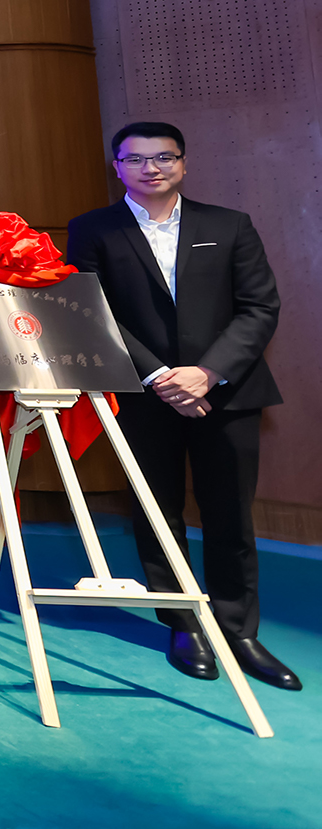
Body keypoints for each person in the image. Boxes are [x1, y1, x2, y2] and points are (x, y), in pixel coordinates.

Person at [67, 121, 297, 690]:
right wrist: (160, 376)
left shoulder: (229, 224)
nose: (151, 168)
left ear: (184, 163)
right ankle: (183, 623)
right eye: (136, 159)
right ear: (117, 167)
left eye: (164, 157)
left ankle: (238, 630)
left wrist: (207, 373)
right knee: (157, 512)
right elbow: (91, 311)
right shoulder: (93, 229)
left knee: (230, 515)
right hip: (144, 394)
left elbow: (259, 307)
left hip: (228, 392)